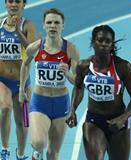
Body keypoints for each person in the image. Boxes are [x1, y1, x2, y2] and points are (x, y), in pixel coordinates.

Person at [65, 25, 131, 160]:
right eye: (100, 40)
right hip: (94, 120)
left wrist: (123, 118)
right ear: (93, 42)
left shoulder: (123, 67)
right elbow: (78, 87)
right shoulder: (83, 66)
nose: (104, 44)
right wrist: (72, 110)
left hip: (118, 121)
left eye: (107, 41)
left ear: (112, 45)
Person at [18, 8, 79, 160]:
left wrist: (67, 73)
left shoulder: (71, 50)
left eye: (56, 23)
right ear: (44, 26)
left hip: (61, 104)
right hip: (40, 102)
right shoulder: (35, 47)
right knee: (39, 142)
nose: (53, 26)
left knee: (53, 154)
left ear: (62, 26)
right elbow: (25, 64)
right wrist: (21, 88)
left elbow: (77, 82)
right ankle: (36, 154)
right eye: (49, 22)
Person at [0, 0, 36, 159]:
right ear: (6, 4)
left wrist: (17, 30)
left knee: (23, 124)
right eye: (10, 1)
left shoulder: (28, 26)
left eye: (18, 2)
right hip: (2, 80)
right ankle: (5, 149)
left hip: (23, 82)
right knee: (5, 107)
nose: (14, 4)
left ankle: (20, 154)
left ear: (23, 5)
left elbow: (32, 51)